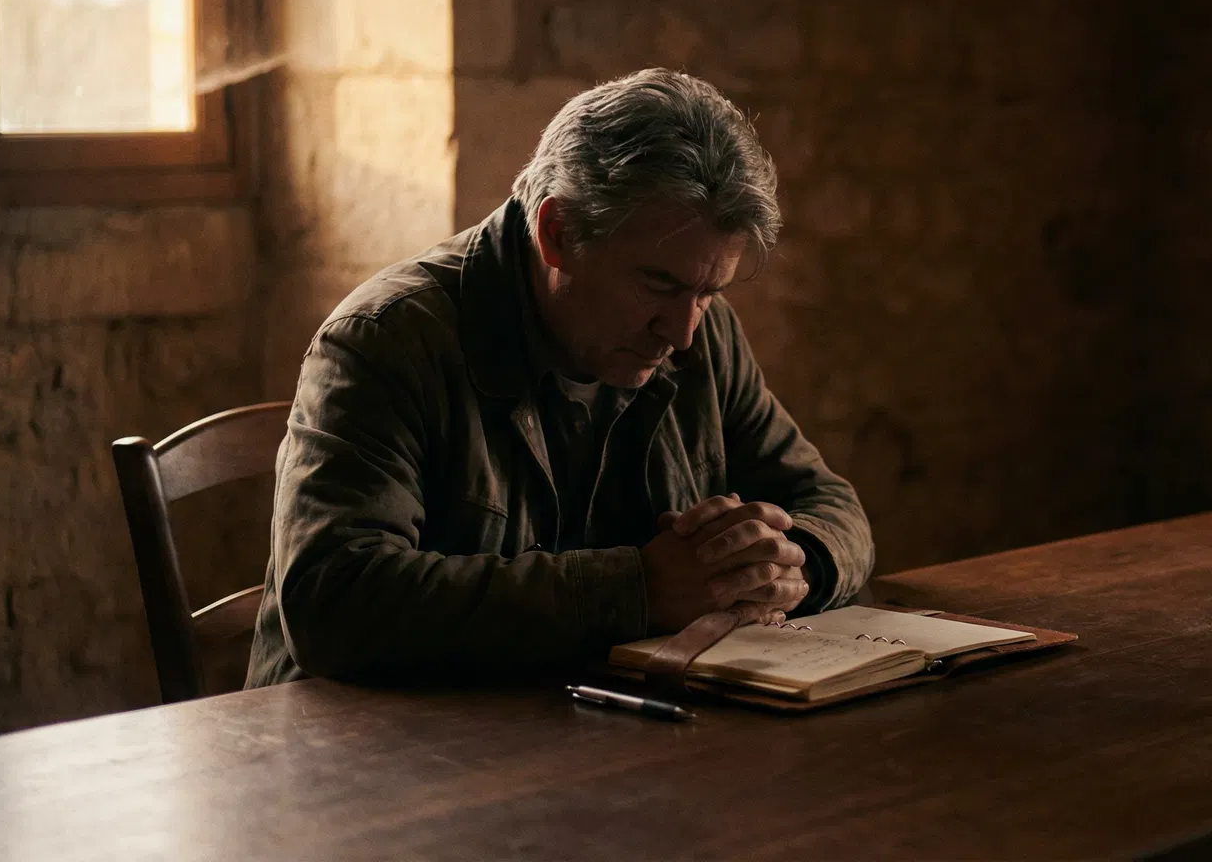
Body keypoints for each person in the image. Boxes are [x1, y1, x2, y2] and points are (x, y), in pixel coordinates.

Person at [246, 69, 872, 686]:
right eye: (658, 284)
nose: (682, 334)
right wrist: (639, 590)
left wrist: (792, 569)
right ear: (557, 232)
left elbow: (833, 508)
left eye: (708, 292)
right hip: (350, 761)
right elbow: (335, 600)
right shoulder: (387, 339)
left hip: (575, 733)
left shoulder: (705, 335)